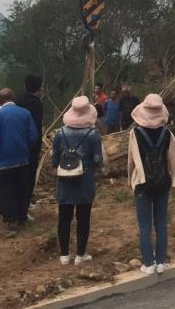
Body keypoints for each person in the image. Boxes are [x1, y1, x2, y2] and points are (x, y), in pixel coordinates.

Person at [127, 94, 175, 275]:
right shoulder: (167, 134)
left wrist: (130, 179)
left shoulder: (135, 134)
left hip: (142, 183)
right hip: (162, 182)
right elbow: (174, 159)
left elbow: (132, 161)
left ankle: (148, 263)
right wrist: (174, 180)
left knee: (144, 226)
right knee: (161, 224)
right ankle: (161, 262)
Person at [51, 96, 103, 266]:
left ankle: (64, 255)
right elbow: (97, 159)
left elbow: (54, 158)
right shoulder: (93, 134)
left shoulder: (60, 133)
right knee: (83, 218)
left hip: (64, 179)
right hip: (84, 180)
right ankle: (80, 254)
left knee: (64, 218)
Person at [0, 88, 38, 237]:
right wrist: (25, 149)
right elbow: (33, 136)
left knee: (7, 190)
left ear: (0, 100)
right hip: (22, 159)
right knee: (22, 188)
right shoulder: (25, 113)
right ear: (13, 98)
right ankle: (22, 216)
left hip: (4, 161)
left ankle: (11, 221)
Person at [15, 75, 45, 221]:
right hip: (30, 148)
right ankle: (24, 210)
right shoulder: (36, 104)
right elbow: (36, 129)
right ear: (39, 88)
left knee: (15, 178)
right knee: (28, 179)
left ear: (24, 86)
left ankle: (14, 208)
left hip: (15, 145)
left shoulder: (16, 101)